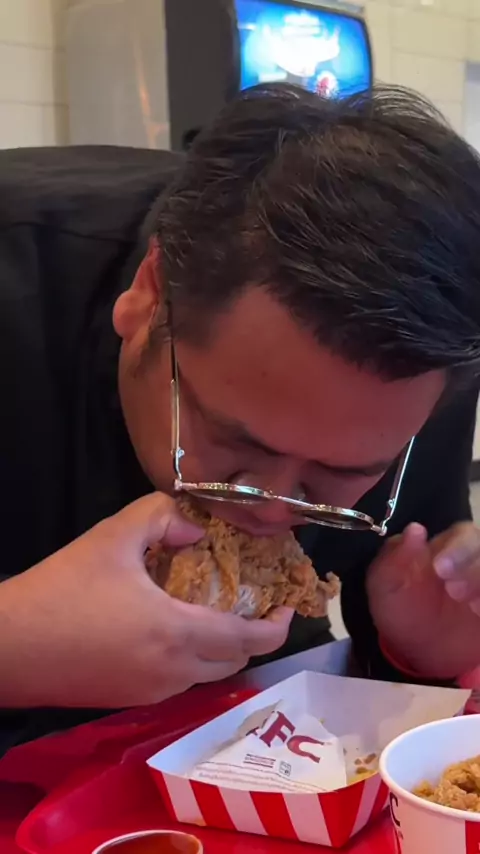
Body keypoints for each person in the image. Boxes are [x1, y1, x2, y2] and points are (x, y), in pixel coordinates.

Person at [1, 83, 480, 755]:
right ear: (148, 296)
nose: (272, 509)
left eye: (335, 476)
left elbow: (378, 686)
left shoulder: (428, 361)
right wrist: (16, 644)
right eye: (232, 441)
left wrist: (418, 653)